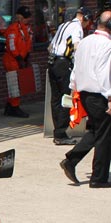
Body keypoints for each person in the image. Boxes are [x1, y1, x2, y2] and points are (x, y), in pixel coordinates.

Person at [59, 11, 111, 188]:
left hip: (86, 94)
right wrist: (110, 98)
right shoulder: (107, 45)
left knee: (96, 131)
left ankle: (71, 160)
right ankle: (99, 178)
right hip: (101, 95)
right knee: (105, 137)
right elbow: (105, 75)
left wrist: (74, 91)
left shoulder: (85, 42)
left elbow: (76, 69)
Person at [47, 7, 92, 145]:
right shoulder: (77, 27)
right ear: (84, 18)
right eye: (87, 21)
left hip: (52, 62)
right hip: (63, 64)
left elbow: (50, 46)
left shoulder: (63, 25)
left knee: (55, 98)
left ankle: (57, 131)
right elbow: (77, 46)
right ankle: (61, 133)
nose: (87, 25)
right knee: (65, 98)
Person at [3, 6, 33, 118]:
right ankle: (14, 107)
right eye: (25, 18)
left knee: (16, 84)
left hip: (20, 59)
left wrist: (27, 56)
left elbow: (28, 43)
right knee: (15, 85)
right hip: (12, 60)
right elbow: (11, 46)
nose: (27, 20)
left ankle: (10, 106)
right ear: (19, 17)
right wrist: (19, 58)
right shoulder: (13, 29)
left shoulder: (27, 28)